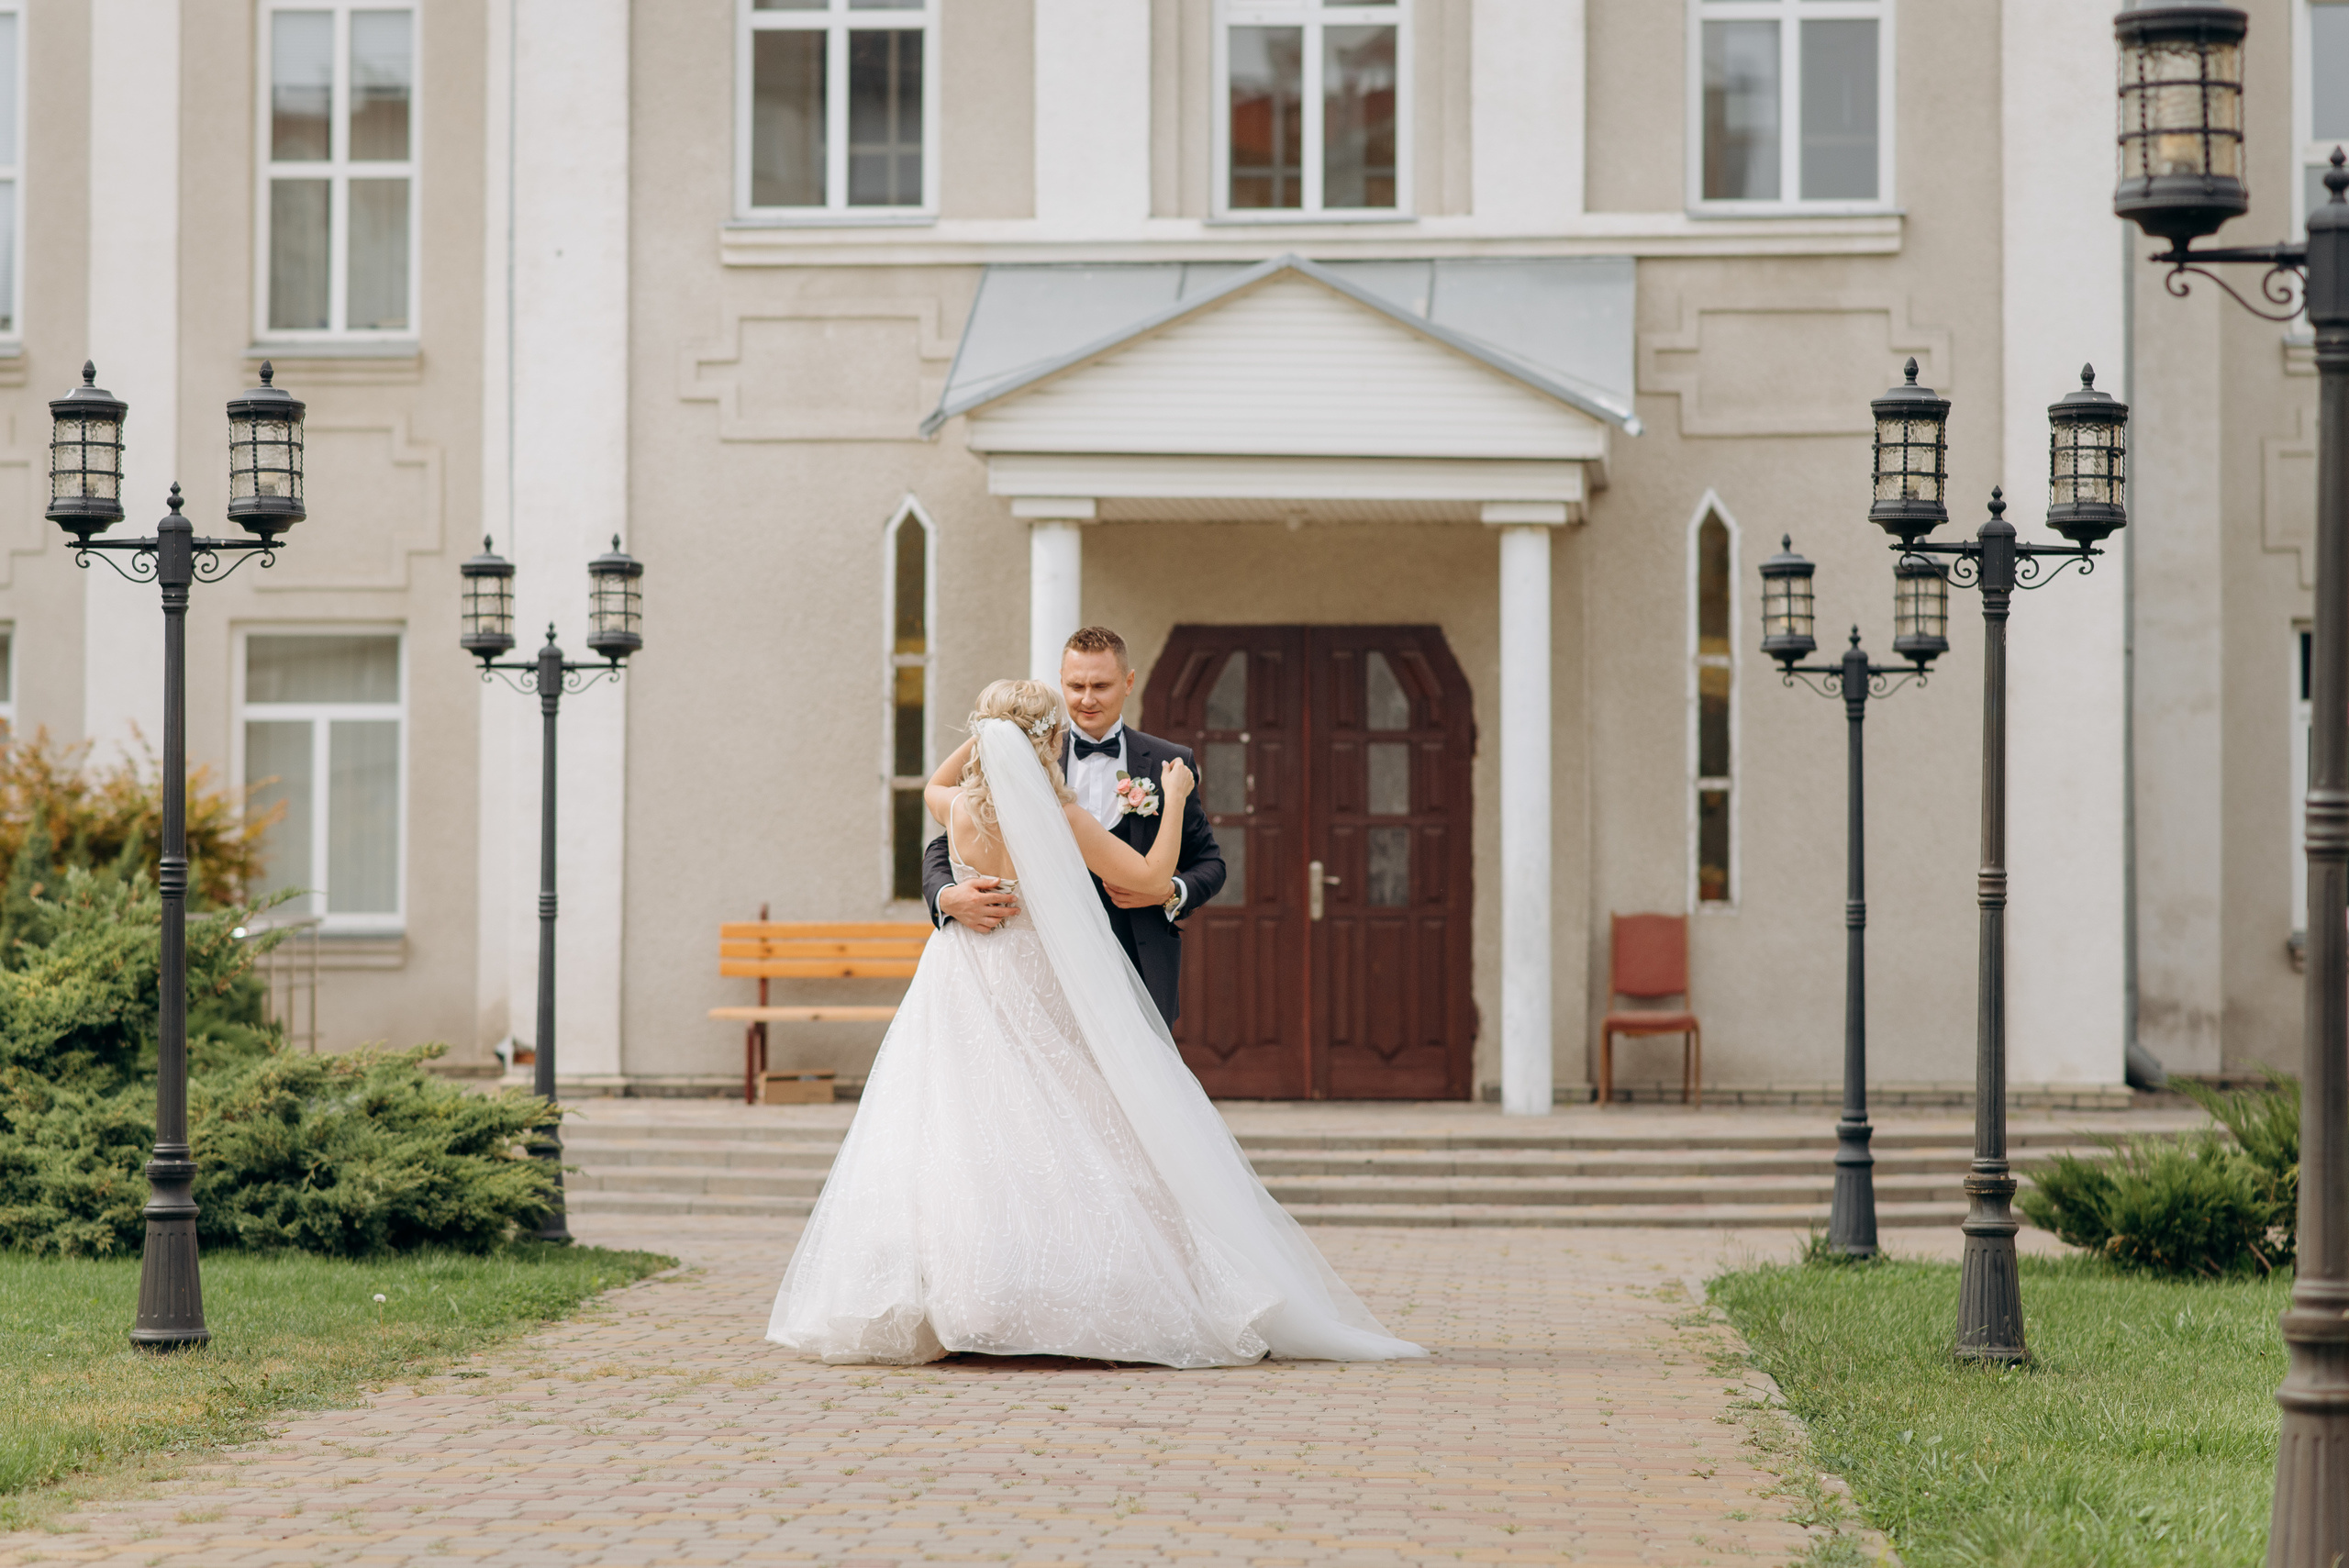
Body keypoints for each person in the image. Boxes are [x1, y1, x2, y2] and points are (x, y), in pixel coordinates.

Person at [767, 679, 1424, 1368]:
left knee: (963, 1127)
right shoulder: (1063, 819)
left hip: (962, 978)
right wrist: (1171, 803)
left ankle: (967, 1302)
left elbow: (938, 780)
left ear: (990, 740)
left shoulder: (959, 809)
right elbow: (1149, 872)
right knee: (1081, 1122)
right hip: (1036, 978)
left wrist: (990, 731)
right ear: (1046, 741)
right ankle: (1066, 1294)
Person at [924, 626, 1223, 1027]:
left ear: (1129, 682)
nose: (1086, 699)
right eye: (1075, 685)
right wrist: (946, 896)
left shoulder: (1170, 760)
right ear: (1060, 684)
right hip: (1049, 965)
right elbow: (943, 849)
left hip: (1139, 958)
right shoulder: (1031, 778)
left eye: (1100, 685)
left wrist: (1171, 892)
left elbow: (1210, 863)